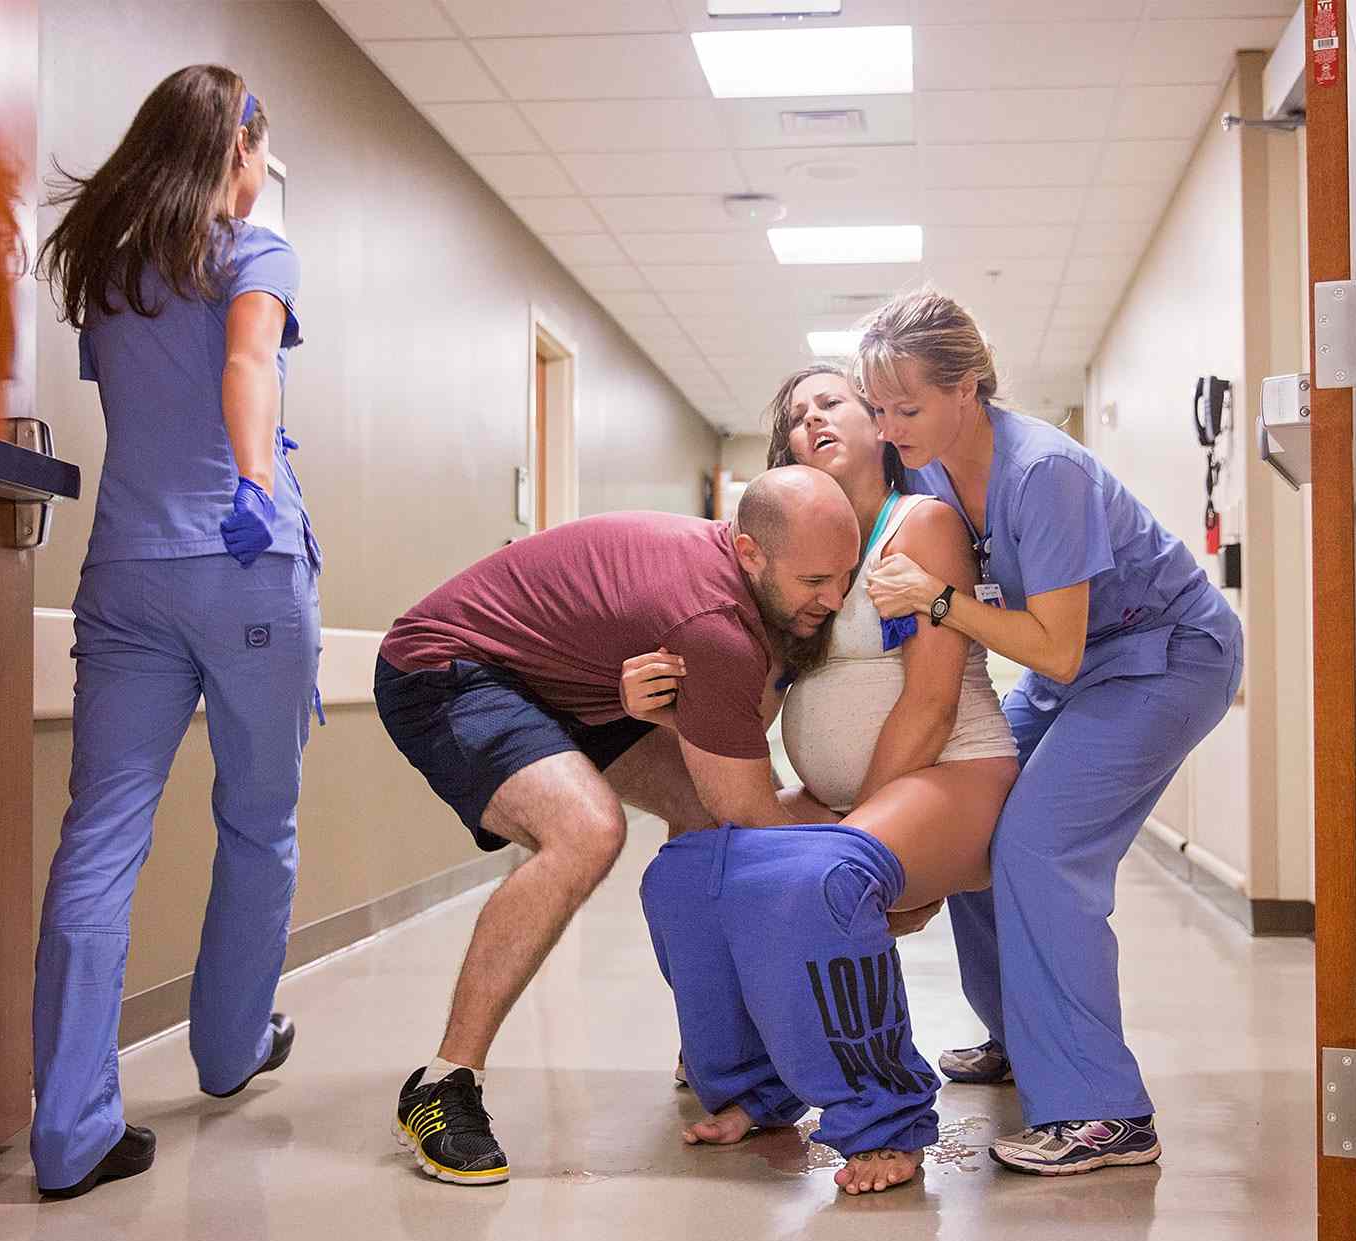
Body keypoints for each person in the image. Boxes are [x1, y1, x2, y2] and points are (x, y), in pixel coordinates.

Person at [375, 469, 861, 1185]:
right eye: (816, 579)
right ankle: (443, 1083)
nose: (836, 598)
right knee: (587, 830)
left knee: (698, 818)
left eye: (846, 575)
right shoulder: (712, 622)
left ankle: (710, 1044)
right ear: (751, 552)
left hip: (569, 687)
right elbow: (751, 811)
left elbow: (725, 776)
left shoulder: (740, 593)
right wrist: (879, 858)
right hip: (447, 665)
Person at [856, 288, 1244, 1176]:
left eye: (908, 407)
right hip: (1082, 656)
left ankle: (1105, 1111)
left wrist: (941, 600)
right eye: (879, 408)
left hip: (1165, 656)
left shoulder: (1044, 472)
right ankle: (1024, 1038)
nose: (891, 425)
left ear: (971, 388)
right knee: (973, 804)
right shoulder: (927, 473)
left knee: (1039, 844)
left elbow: (1058, 651)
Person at [29, 66, 318, 1200]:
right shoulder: (255, 250)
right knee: (256, 819)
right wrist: (253, 483)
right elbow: (247, 363)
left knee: (98, 838)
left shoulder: (110, 267)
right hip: (241, 569)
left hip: (125, 578)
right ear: (237, 150)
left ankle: (70, 1128)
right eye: (258, 156)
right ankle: (228, 1047)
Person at [625, 364, 1018, 1193]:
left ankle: (887, 1118)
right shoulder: (794, 564)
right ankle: (756, 1091)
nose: (813, 419)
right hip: (855, 799)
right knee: (688, 874)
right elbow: (747, 713)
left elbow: (932, 702)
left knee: (822, 879)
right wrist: (657, 711)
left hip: (954, 771)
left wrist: (857, 836)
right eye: (798, 416)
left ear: (880, 425)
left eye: (831, 402)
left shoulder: (922, 524)